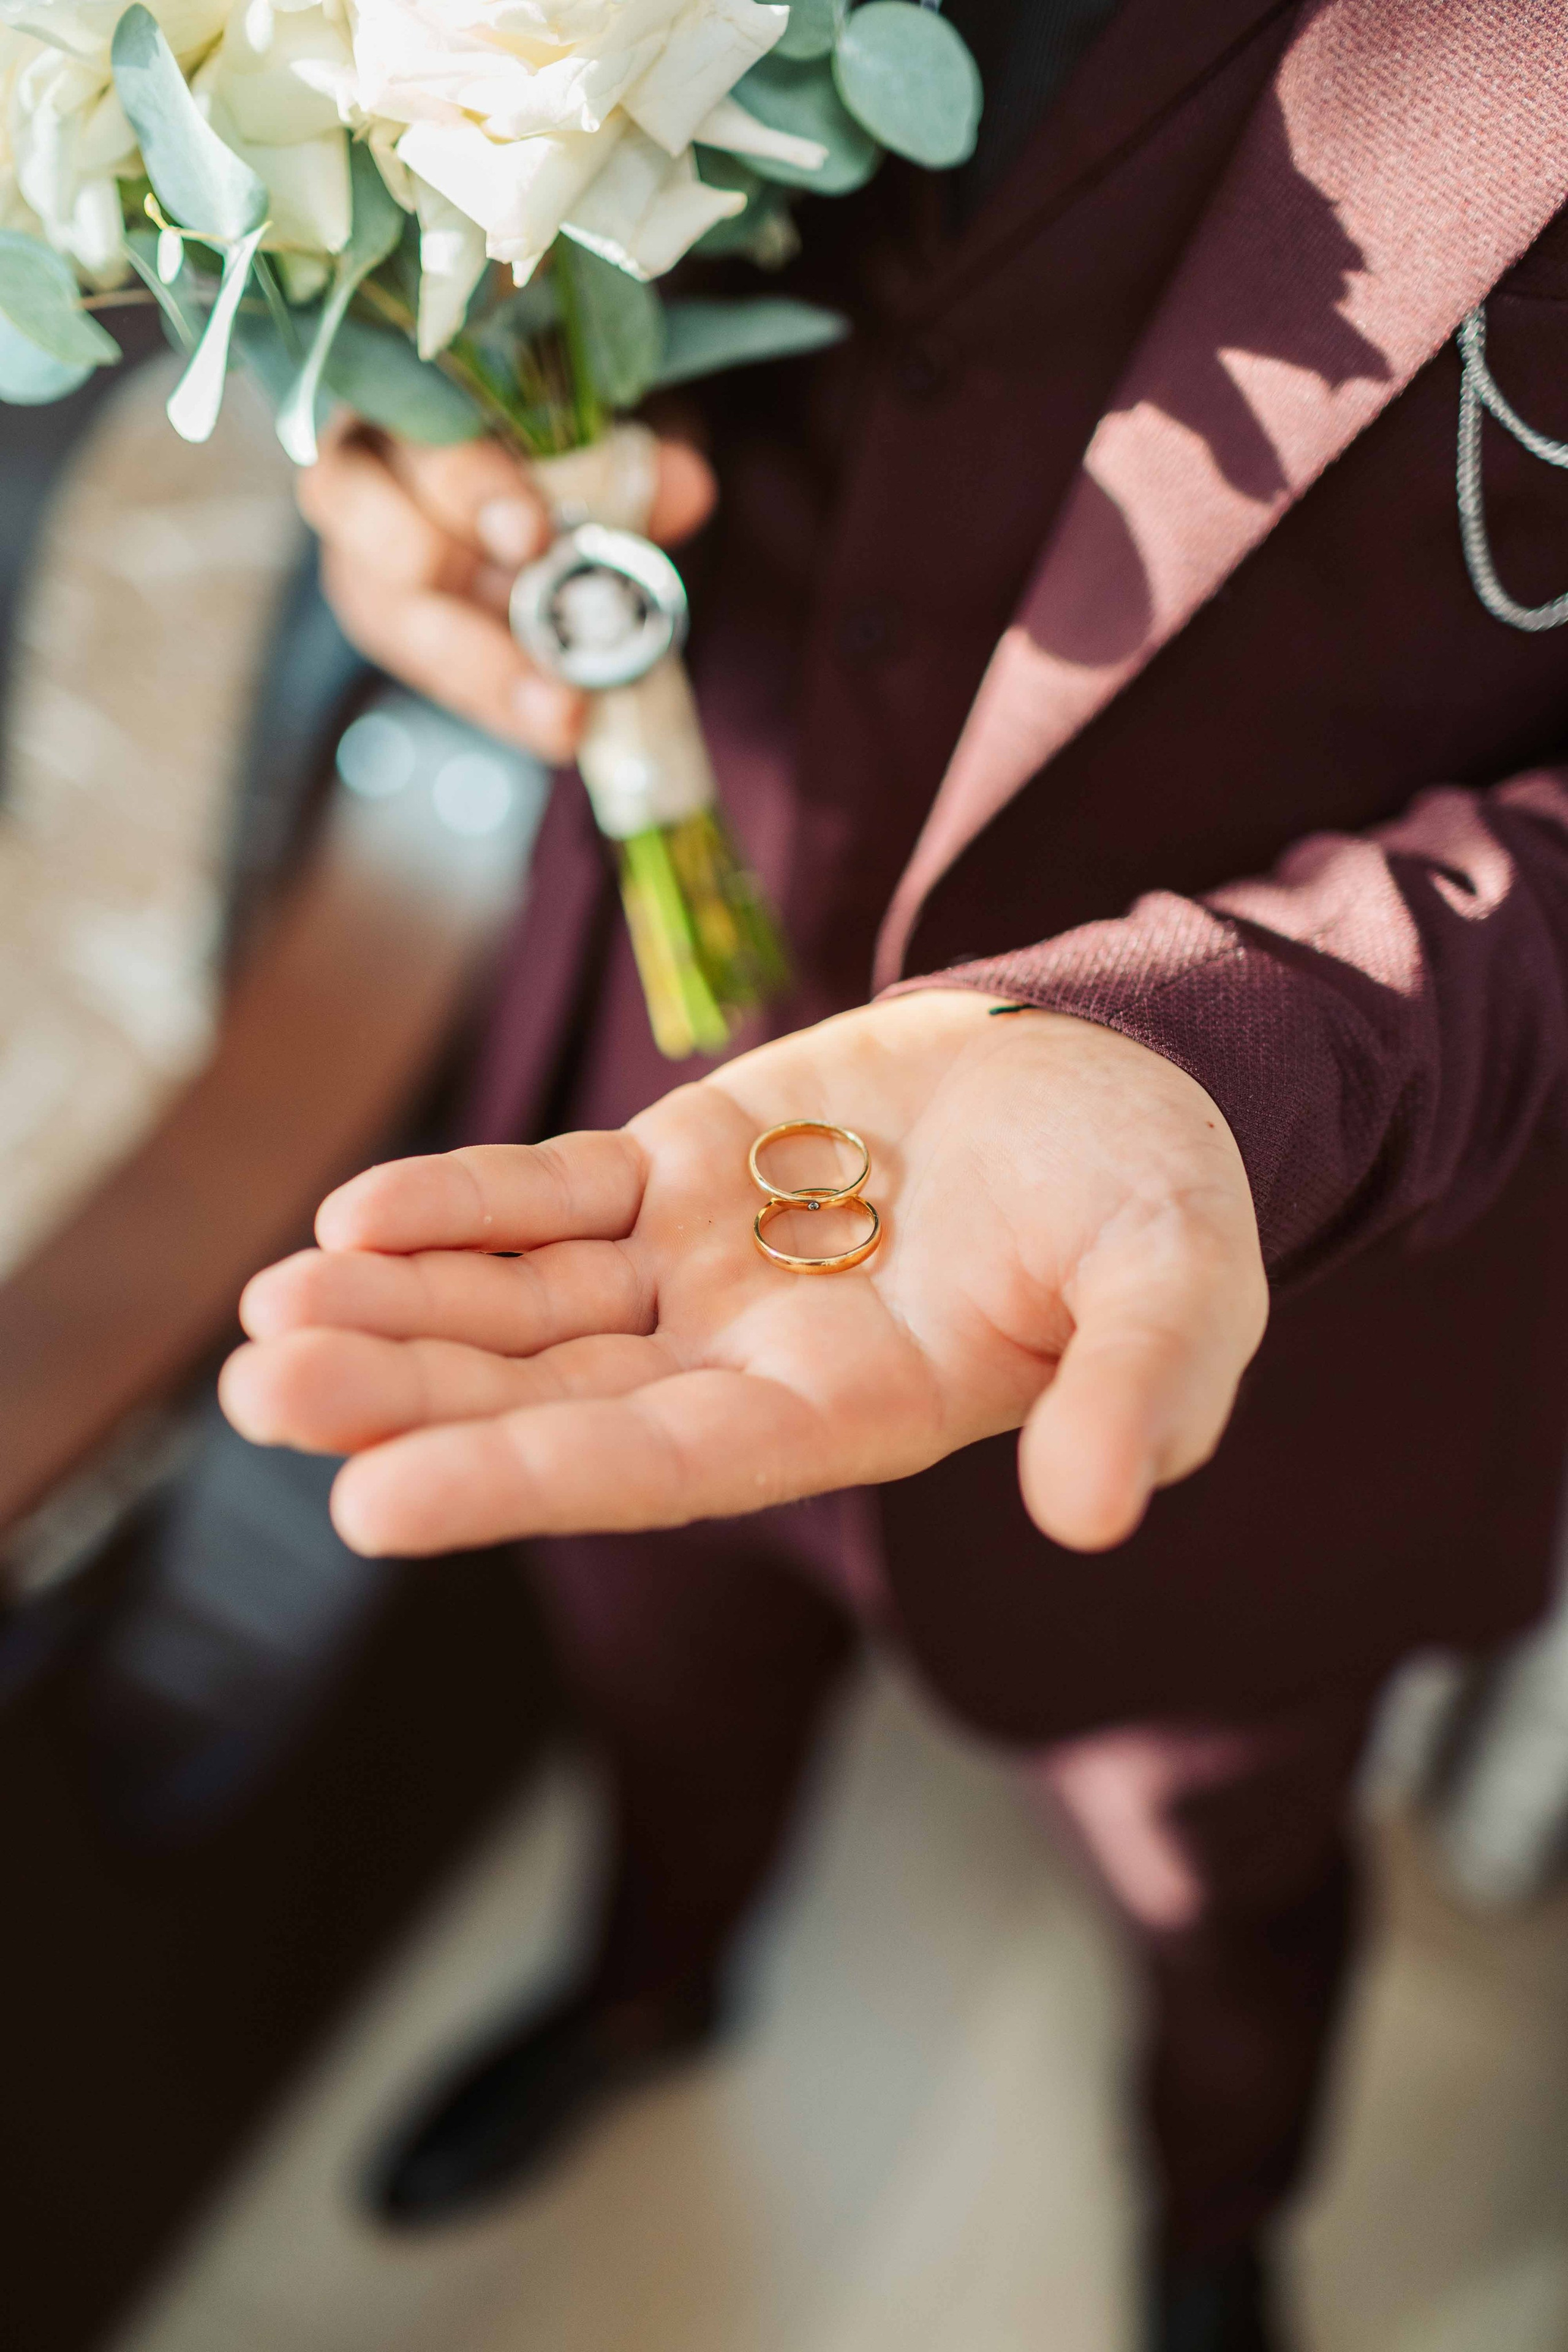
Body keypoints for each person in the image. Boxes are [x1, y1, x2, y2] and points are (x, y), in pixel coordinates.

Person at [220, 4, 1568, 2345]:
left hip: (1262, 1277)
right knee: (653, 1670)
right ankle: (654, 1988)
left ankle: (1218, 2211)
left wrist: (1258, 1053)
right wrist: (407, 442)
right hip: (651, 1147)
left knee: (1223, 1872)